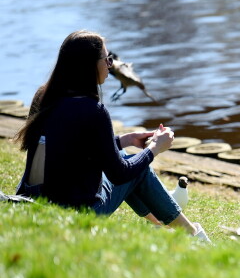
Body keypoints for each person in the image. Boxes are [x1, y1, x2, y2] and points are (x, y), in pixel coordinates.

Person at [14, 30, 210, 242]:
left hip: (34, 201)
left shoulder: (44, 96)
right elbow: (119, 174)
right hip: (76, 213)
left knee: (125, 154)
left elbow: (69, 148)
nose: (110, 65)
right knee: (137, 168)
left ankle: (163, 224)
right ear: (89, 65)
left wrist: (123, 140)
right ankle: (192, 235)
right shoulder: (93, 110)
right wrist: (154, 149)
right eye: (107, 59)